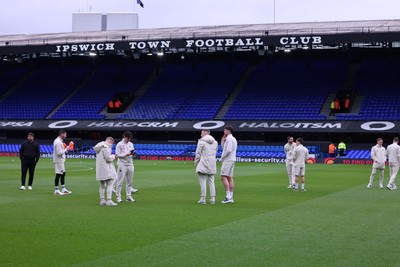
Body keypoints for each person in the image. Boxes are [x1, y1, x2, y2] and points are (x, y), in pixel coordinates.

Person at [194, 129, 218, 204]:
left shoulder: (201, 142)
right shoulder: (215, 142)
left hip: (203, 163)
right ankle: (212, 198)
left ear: (204, 133)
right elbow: (215, 152)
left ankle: (203, 198)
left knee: (203, 182)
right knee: (211, 181)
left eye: (201, 133)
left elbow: (198, 153)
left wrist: (196, 162)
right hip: (212, 163)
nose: (200, 135)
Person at [93, 137, 118, 206]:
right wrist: (113, 156)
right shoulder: (106, 147)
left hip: (99, 168)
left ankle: (102, 200)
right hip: (106, 168)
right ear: (110, 141)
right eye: (112, 143)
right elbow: (108, 159)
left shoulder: (98, 146)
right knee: (110, 183)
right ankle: (109, 200)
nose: (112, 145)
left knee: (102, 184)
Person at [115, 131, 136, 203]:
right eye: (128, 138)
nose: (128, 140)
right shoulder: (119, 144)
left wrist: (133, 154)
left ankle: (129, 196)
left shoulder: (131, 144)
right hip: (122, 164)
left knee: (129, 182)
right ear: (124, 137)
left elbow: (132, 152)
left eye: (129, 139)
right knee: (119, 182)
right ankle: (118, 197)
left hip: (130, 163)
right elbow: (117, 155)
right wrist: (125, 154)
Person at [220, 125, 237, 204]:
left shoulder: (230, 139)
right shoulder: (232, 138)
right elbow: (225, 148)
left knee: (223, 177)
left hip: (228, 160)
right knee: (230, 177)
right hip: (232, 159)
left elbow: (228, 150)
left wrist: (222, 157)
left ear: (228, 131)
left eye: (225, 130)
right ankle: (231, 197)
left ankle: (228, 197)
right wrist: (222, 141)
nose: (224, 132)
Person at [53, 130, 72, 195]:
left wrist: (65, 149)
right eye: (65, 134)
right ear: (62, 134)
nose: (66, 136)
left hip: (61, 160)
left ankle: (63, 189)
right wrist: (66, 149)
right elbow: (59, 153)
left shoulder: (59, 141)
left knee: (63, 173)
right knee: (58, 174)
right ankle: (56, 190)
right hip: (58, 160)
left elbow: (61, 151)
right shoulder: (58, 142)